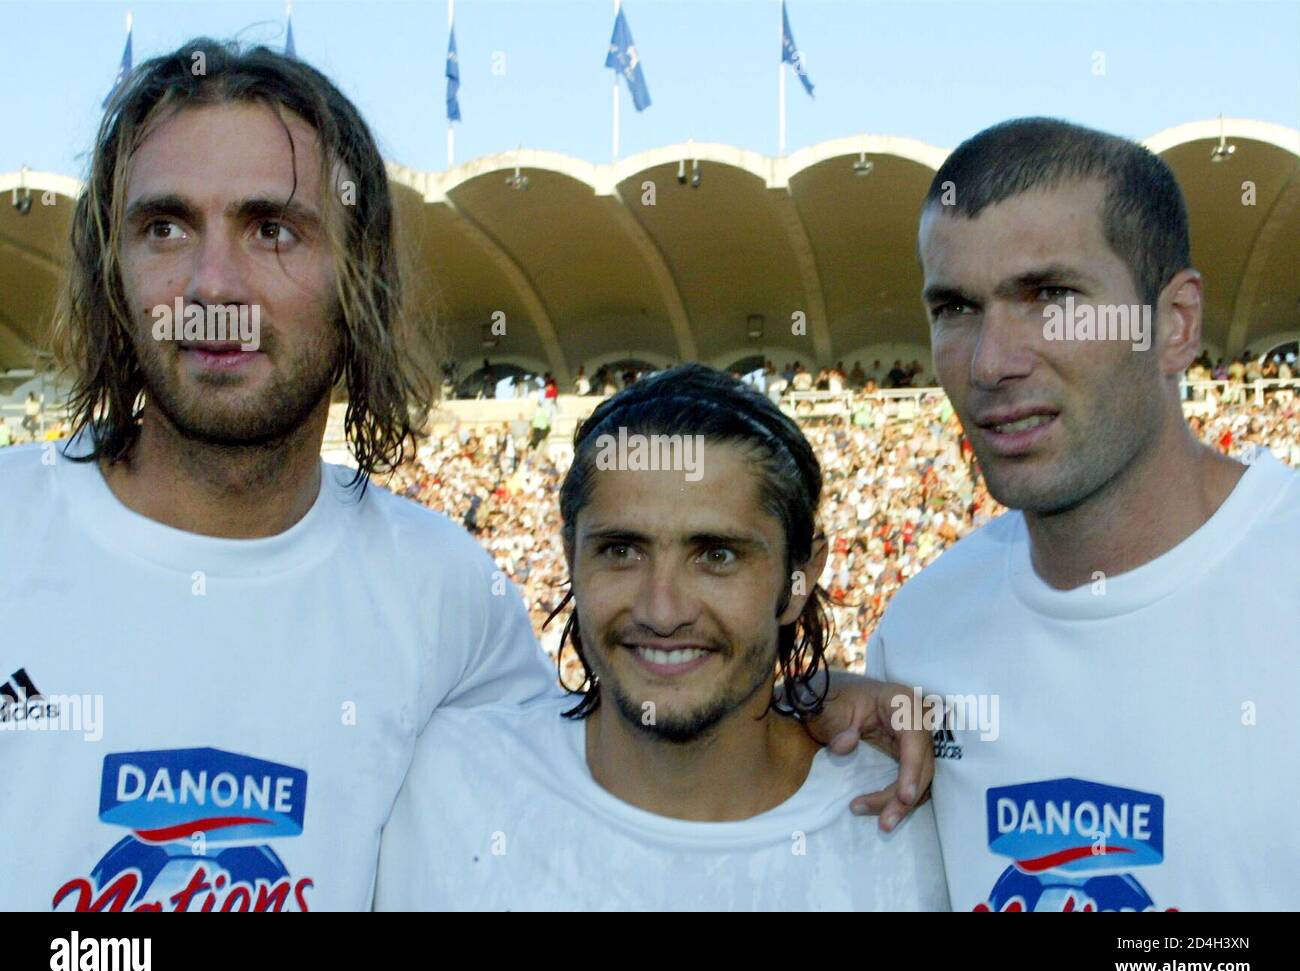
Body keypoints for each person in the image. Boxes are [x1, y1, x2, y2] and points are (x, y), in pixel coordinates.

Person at [0, 38, 555, 912]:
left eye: (272, 229)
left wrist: (823, 727)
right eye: (165, 227)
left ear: (357, 274)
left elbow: (603, 803)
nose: (213, 283)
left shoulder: (449, 597)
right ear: (114, 275)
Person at [875, 116, 1300, 910]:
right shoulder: (920, 632)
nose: (992, 362)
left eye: (1051, 297)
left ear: (1173, 323)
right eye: (956, 308)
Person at [376, 365, 949, 910]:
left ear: (800, 578)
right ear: (570, 558)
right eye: (621, 551)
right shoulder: (439, 785)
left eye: (717, 555)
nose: (662, 609)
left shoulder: (919, 828)